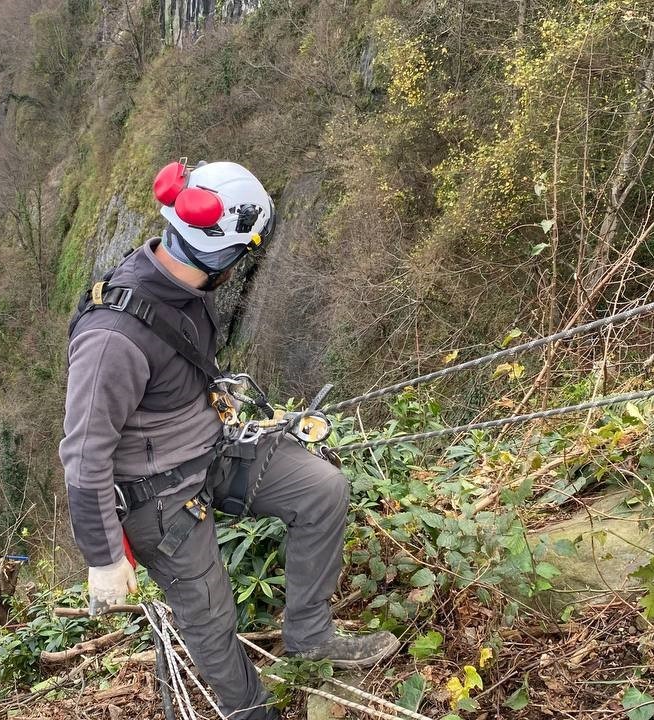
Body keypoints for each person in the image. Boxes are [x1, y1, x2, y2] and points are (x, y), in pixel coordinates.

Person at [59, 160, 399, 719]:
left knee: (320, 490)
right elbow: (83, 453)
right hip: (156, 494)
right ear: (224, 253)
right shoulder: (112, 337)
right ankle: (251, 712)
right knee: (211, 617)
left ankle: (310, 638)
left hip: (208, 451)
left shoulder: (183, 287)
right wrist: (103, 557)